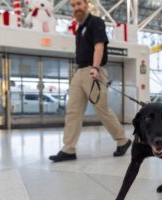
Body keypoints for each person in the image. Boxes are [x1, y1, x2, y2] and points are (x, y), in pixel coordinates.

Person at [49, 0, 131, 162]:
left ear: (86, 5)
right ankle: (69, 149)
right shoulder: (80, 29)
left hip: (93, 70)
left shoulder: (96, 22)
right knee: (73, 111)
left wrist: (95, 67)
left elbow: (99, 46)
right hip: (79, 72)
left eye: (79, 4)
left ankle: (123, 140)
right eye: (72, 6)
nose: (76, 8)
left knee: (102, 109)